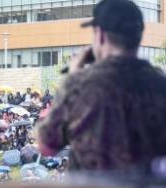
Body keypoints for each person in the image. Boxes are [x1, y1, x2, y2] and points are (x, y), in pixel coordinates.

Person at [37, 0, 166, 171]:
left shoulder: (79, 83)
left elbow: (46, 146)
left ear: (101, 35)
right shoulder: (160, 85)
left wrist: (71, 80)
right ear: (138, 36)